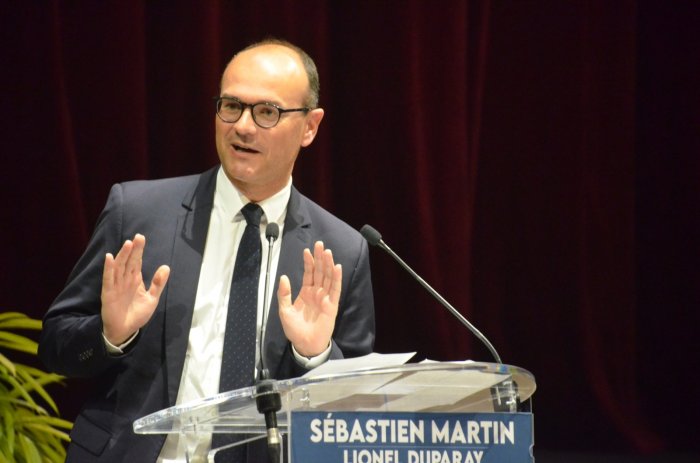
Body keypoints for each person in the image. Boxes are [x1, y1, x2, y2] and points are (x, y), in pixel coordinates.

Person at [38, 39, 375, 462]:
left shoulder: (341, 250)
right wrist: (110, 336)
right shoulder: (138, 213)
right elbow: (56, 345)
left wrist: (313, 356)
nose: (243, 127)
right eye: (231, 106)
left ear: (310, 126)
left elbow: (355, 411)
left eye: (266, 112)